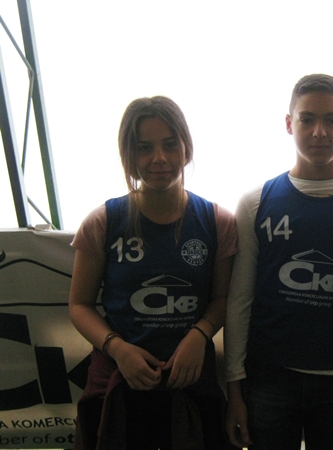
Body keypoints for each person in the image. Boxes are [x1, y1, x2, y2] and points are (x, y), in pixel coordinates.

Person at [224, 74, 333, 449]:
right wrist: (235, 387)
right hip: (269, 376)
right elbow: (240, 301)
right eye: (307, 119)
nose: (319, 132)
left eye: (331, 119)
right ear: (289, 124)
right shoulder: (255, 203)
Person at [69, 96, 237, 450]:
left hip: (190, 382)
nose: (159, 158)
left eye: (170, 144)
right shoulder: (102, 222)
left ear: (186, 148)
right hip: (119, 380)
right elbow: (80, 306)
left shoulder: (217, 221)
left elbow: (222, 298)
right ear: (128, 155)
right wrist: (118, 349)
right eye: (144, 148)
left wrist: (199, 335)